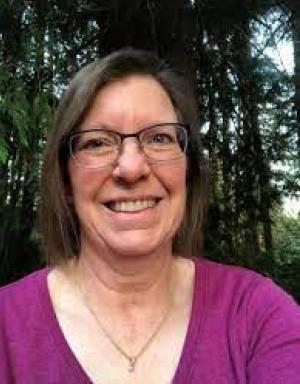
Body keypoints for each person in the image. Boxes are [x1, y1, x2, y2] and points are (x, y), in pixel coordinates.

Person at [0, 48, 299, 384]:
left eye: (159, 138)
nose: (131, 168)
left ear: (188, 171)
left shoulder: (258, 315)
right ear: (66, 181)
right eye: (97, 143)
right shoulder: (5, 328)